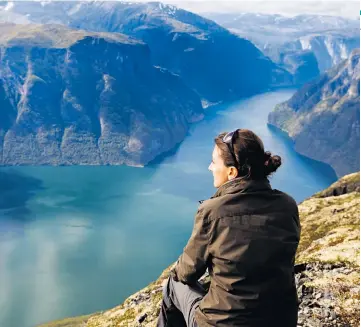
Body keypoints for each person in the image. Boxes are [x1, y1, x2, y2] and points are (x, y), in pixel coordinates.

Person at [157, 129, 301, 327]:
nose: (209, 167)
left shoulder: (212, 211)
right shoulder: (288, 204)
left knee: (173, 285)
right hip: (281, 320)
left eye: (214, 162)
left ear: (232, 172)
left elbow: (186, 272)